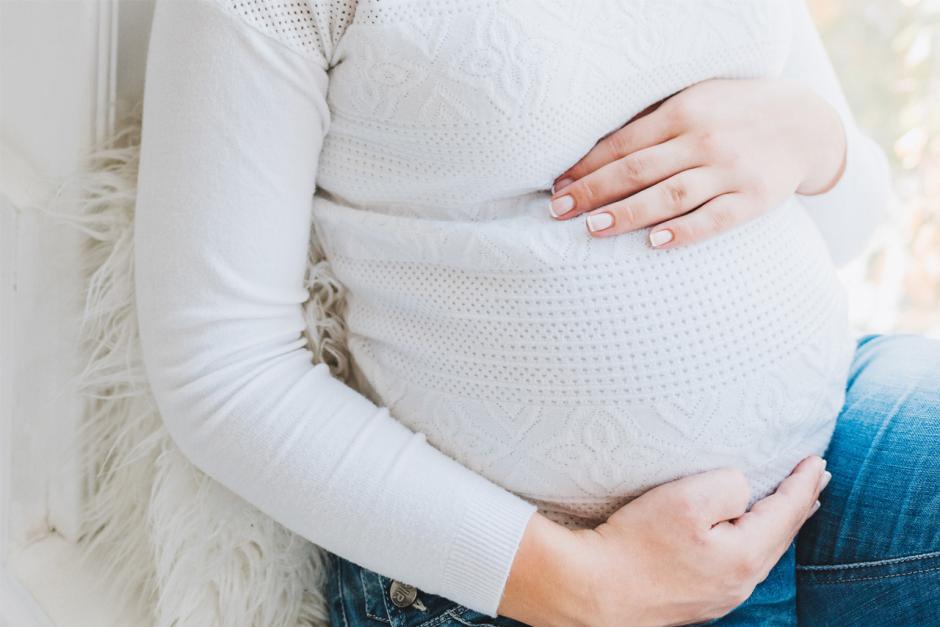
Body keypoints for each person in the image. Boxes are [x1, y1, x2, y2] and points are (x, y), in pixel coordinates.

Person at [133, 0, 940, 625]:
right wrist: (584, 585)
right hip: (524, 577)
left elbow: (847, 221)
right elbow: (221, 369)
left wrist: (812, 135)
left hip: (826, 452)